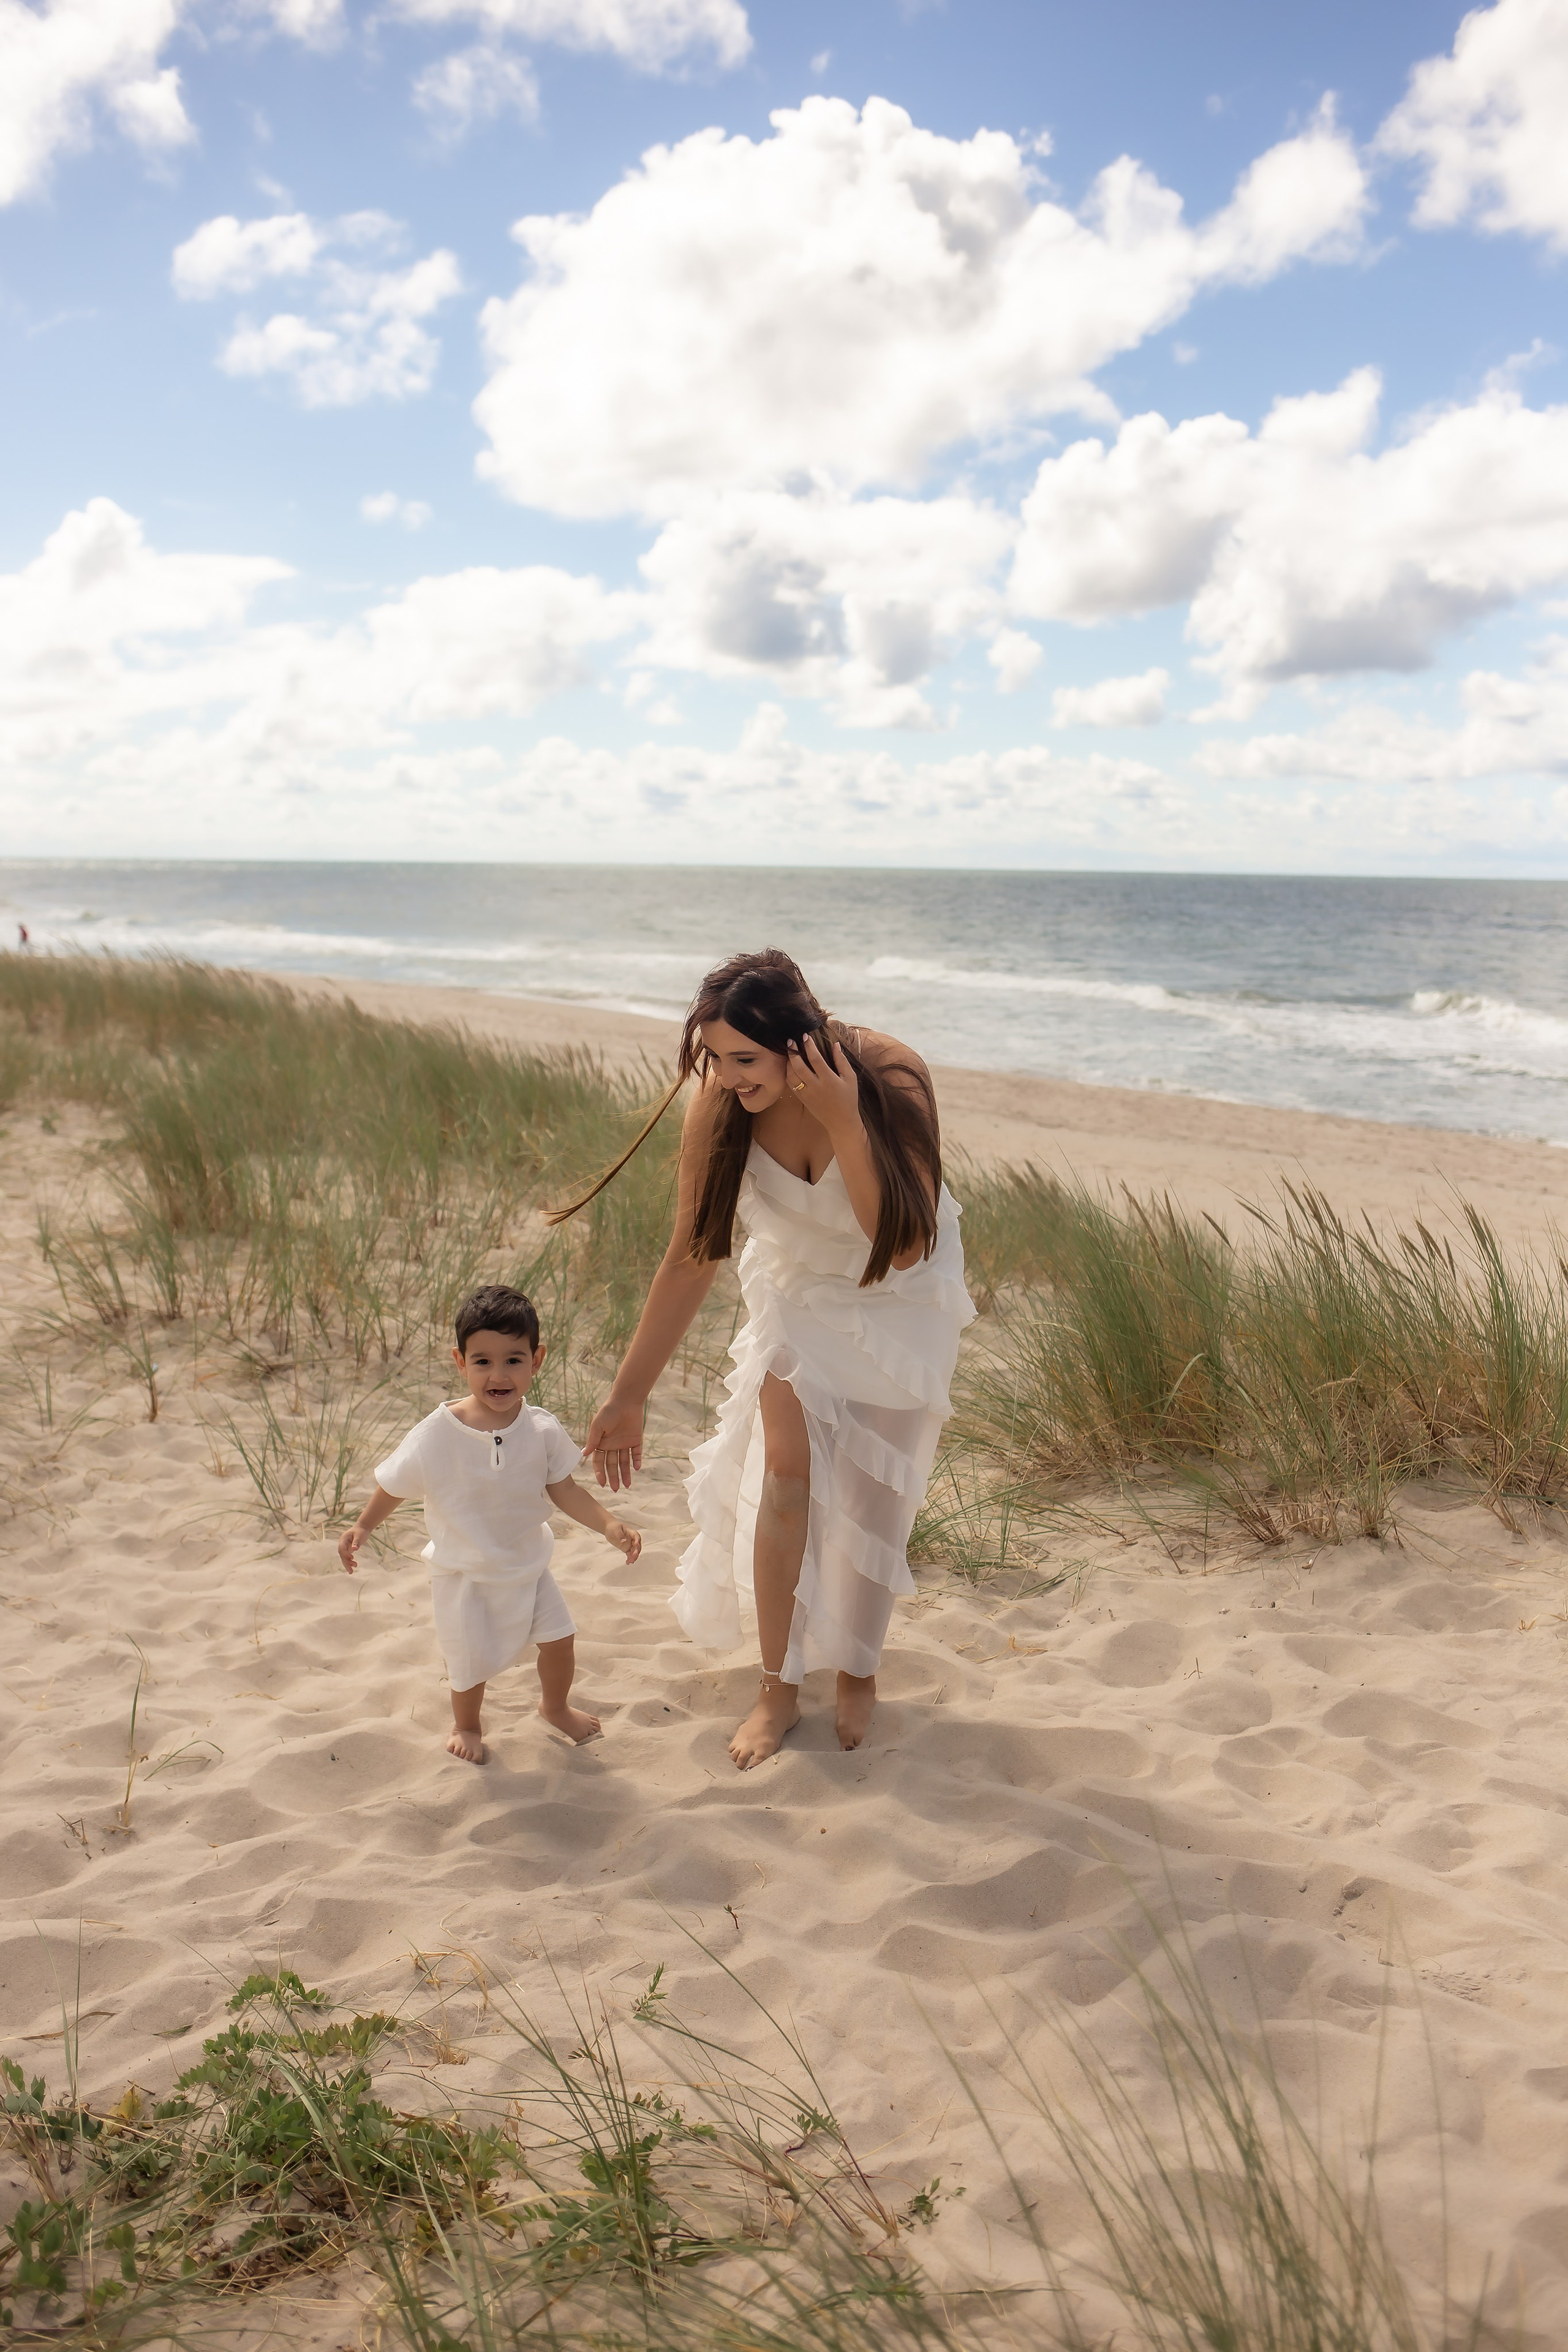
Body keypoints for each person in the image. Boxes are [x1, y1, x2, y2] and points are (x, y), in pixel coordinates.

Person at [562, 948, 974, 1770]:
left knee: (872, 1492)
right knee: (788, 1478)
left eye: (742, 1059)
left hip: (900, 1298)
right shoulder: (720, 1106)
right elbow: (691, 1254)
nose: (723, 1075)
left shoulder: (891, 1076)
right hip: (798, 1292)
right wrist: (627, 1395)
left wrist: (847, 1119)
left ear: (799, 1045)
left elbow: (900, 1248)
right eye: (712, 1057)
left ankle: (858, 1671)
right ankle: (777, 1687)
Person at [337, 1283, 640, 1762]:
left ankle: (555, 1707)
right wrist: (363, 1526)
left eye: (513, 1360)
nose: (498, 1375)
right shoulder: (439, 1433)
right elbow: (395, 1484)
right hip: (466, 1575)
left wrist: (607, 1524)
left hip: (528, 1565)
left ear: (536, 1360)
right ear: (460, 1362)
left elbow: (563, 1488)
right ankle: (468, 1726)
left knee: (561, 1641)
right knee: (469, 1664)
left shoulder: (540, 1428)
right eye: (482, 1361)